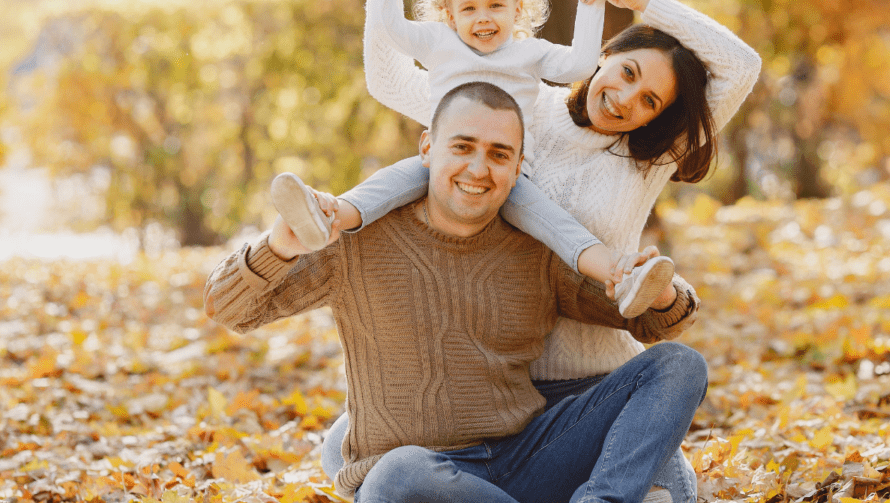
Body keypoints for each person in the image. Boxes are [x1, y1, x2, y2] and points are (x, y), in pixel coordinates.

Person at [350, 0, 762, 502]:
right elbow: (390, 79)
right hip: (505, 397)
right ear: (607, 53)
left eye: (650, 102)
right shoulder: (513, 106)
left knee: (669, 455)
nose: (626, 100)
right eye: (628, 73)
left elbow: (741, 67)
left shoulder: (645, 159)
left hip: (600, 389)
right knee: (366, 460)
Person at [205, 82, 707, 502]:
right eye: (462, 147)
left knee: (680, 365)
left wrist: (659, 287)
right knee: (397, 474)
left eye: (498, 155)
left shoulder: (535, 250)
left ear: (516, 168)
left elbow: (649, 319)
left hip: (527, 457)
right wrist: (279, 245)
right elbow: (228, 309)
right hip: (424, 478)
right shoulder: (357, 241)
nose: (478, 169)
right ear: (428, 148)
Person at [271, 0, 677, 319]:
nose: (483, 18)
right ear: (449, 15)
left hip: (511, 174)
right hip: (443, 162)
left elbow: (580, 65)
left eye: (495, 6)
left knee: (559, 227)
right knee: (392, 182)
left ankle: (622, 276)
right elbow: (392, 31)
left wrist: (591, 4)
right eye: (469, 9)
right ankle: (327, 216)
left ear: (518, 8)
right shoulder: (439, 42)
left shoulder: (528, 53)